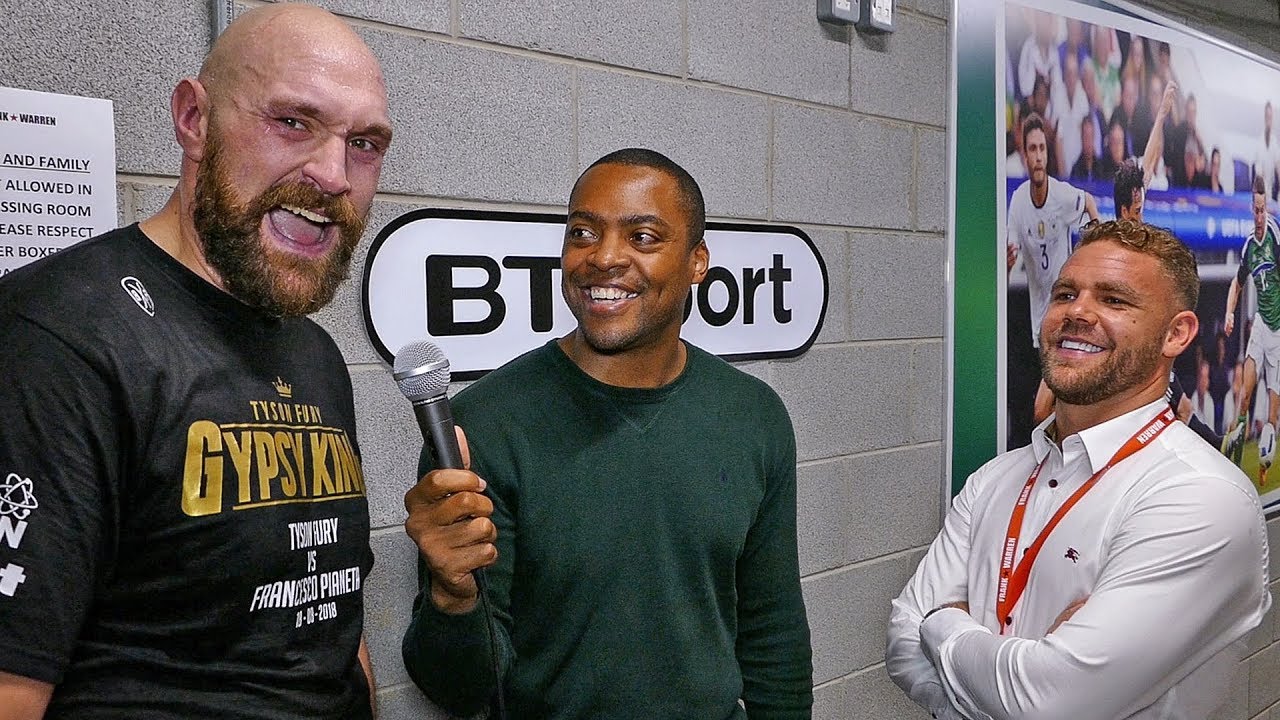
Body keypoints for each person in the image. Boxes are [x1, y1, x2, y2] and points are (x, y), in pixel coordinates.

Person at [0, 5, 392, 719]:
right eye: (293, 122)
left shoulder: (313, 351)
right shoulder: (58, 336)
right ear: (193, 119)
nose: (334, 175)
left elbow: (330, 625)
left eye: (363, 143)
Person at [400, 148, 813, 718]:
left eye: (642, 237)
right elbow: (461, 689)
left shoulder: (753, 416)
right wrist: (451, 598)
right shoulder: (483, 428)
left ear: (697, 262)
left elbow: (774, 633)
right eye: (583, 233)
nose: (604, 257)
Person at [888, 220, 1269, 720]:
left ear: (1176, 334)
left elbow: (1050, 705)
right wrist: (1014, 676)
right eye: (1065, 294)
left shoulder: (1202, 497)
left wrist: (942, 625)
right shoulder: (993, 480)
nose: (1078, 312)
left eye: (1114, 300)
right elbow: (902, 643)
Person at [1007, 113, 1100, 447]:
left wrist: (1095, 236)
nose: (1038, 156)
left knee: (1042, 410)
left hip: (1067, 318)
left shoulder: (1061, 195)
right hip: (1041, 325)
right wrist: (1007, 263)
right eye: (1032, 149)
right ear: (1024, 154)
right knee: (1049, 412)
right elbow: (1009, 257)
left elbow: (1088, 201)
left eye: (1042, 149)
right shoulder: (1019, 203)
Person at [1222, 175, 1280, 483]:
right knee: (1244, 395)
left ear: (1267, 207)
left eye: (1263, 210)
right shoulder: (1249, 247)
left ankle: (1263, 468)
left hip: (1279, 331)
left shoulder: (1275, 237)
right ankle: (1235, 460)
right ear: (1251, 210)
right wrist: (1229, 313)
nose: (1259, 216)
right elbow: (1237, 283)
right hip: (1260, 323)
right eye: (1255, 211)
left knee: (1272, 415)